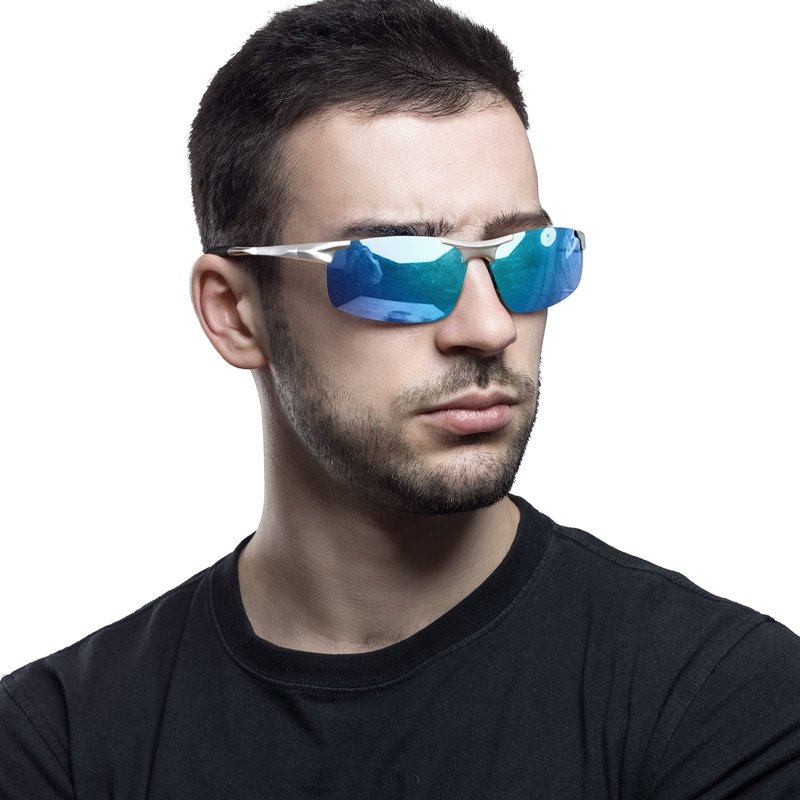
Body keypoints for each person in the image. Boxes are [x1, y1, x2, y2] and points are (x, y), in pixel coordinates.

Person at [2, 0, 798, 796]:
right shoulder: (58, 746)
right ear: (236, 313)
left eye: (528, 257)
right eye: (399, 267)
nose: (489, 327)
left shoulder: (725, 703)